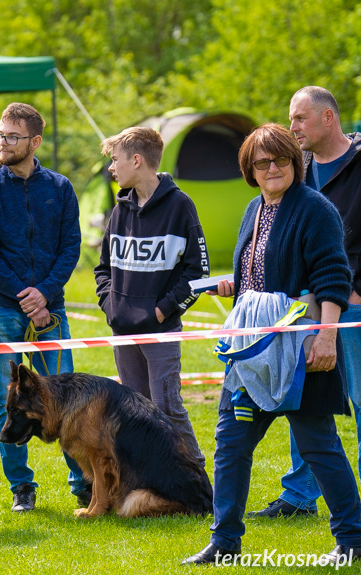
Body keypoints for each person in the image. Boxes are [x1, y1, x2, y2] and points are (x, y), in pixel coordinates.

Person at [183, 123, 361, 566]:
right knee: (231, 442)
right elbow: (258, 274)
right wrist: (235, 286)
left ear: (294, 162)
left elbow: (333, 277)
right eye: (261, 162)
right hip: (253, 353)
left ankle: (353, 539)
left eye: (280, 159)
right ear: (249, 169)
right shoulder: (252, 210)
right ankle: (224, 542)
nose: (272, 168)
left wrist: (326, 337)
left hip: (300, 352)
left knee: (318, 446)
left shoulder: (316, 209)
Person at [248, 86, 361, 520]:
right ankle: (298, 499)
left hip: (352, 308)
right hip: (302, 311)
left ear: (328, 118)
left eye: (299, 118)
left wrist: (356, 289)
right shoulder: (299, 168)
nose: (291, 127)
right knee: (305, 401)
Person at [0, 102, 87, 512]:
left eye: (12, 137)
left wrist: (46, 294)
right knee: (5, 398)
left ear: (35, 142)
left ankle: (83, 482)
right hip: (1, 308)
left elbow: (70, 248)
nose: (2, 143)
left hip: (50, 310)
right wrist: (27, 295)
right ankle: (22, 488)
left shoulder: (60, 188)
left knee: (68, 397)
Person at [94, 127, 208, 468]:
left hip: (161, 329)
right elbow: (103, 269)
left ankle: (196, 475)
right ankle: (152, 478)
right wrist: (110, 305)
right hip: (122, 331)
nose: (111, 168)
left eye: (115, 160)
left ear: (137, 160)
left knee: (166, 405)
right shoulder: (119, 210)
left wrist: (162, 311)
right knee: (136, 409)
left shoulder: (180, 206)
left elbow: (197, 274)